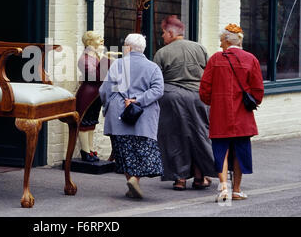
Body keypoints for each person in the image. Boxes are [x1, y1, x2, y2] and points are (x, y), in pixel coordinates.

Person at [199, 23, 264, 202]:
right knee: (240, 151)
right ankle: (236, 189)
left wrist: (212, 102)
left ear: (227, 41)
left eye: (221, 41)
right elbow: (258, 89)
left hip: (220, 113)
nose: (220, 45)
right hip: (243, 114)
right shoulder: (251, 59)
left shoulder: (215, 59)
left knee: (221, 150)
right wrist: (253, 103)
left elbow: (204, 88)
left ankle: (223, 189)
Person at [153, 15, 216, 191]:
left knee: (174, 138)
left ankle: (179, 179)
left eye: (163, 33)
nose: (162, 36)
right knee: (198, 136)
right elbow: (210, 73)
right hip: (199, 98)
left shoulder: (162, 53)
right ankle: (199, 177)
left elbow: (156, 80)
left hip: (172, 99)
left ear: (171, 33)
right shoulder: (200, 48)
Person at [99, 33, 164, 199]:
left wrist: (106, 107)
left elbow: (105, 89)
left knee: (124, 151)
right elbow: (158, 90)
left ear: (127, 47)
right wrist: (138, 100)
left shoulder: (117, 65)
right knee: (143, 151)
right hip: (144, 115)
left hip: (118, 113)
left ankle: (131, 180)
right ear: (143, 48)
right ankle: (135, 180)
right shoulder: (152, 67)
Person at [75, 31, 119, 162]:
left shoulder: (95, 56)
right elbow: (96, 76)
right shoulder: (84, 59)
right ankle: (85, 151)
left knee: (91, 122)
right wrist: (107, 58)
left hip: (96, 94)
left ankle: (91, 149)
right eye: (98, 38)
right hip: (87, 95)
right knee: (84, 122)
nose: (102, 39)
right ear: (89, 42)